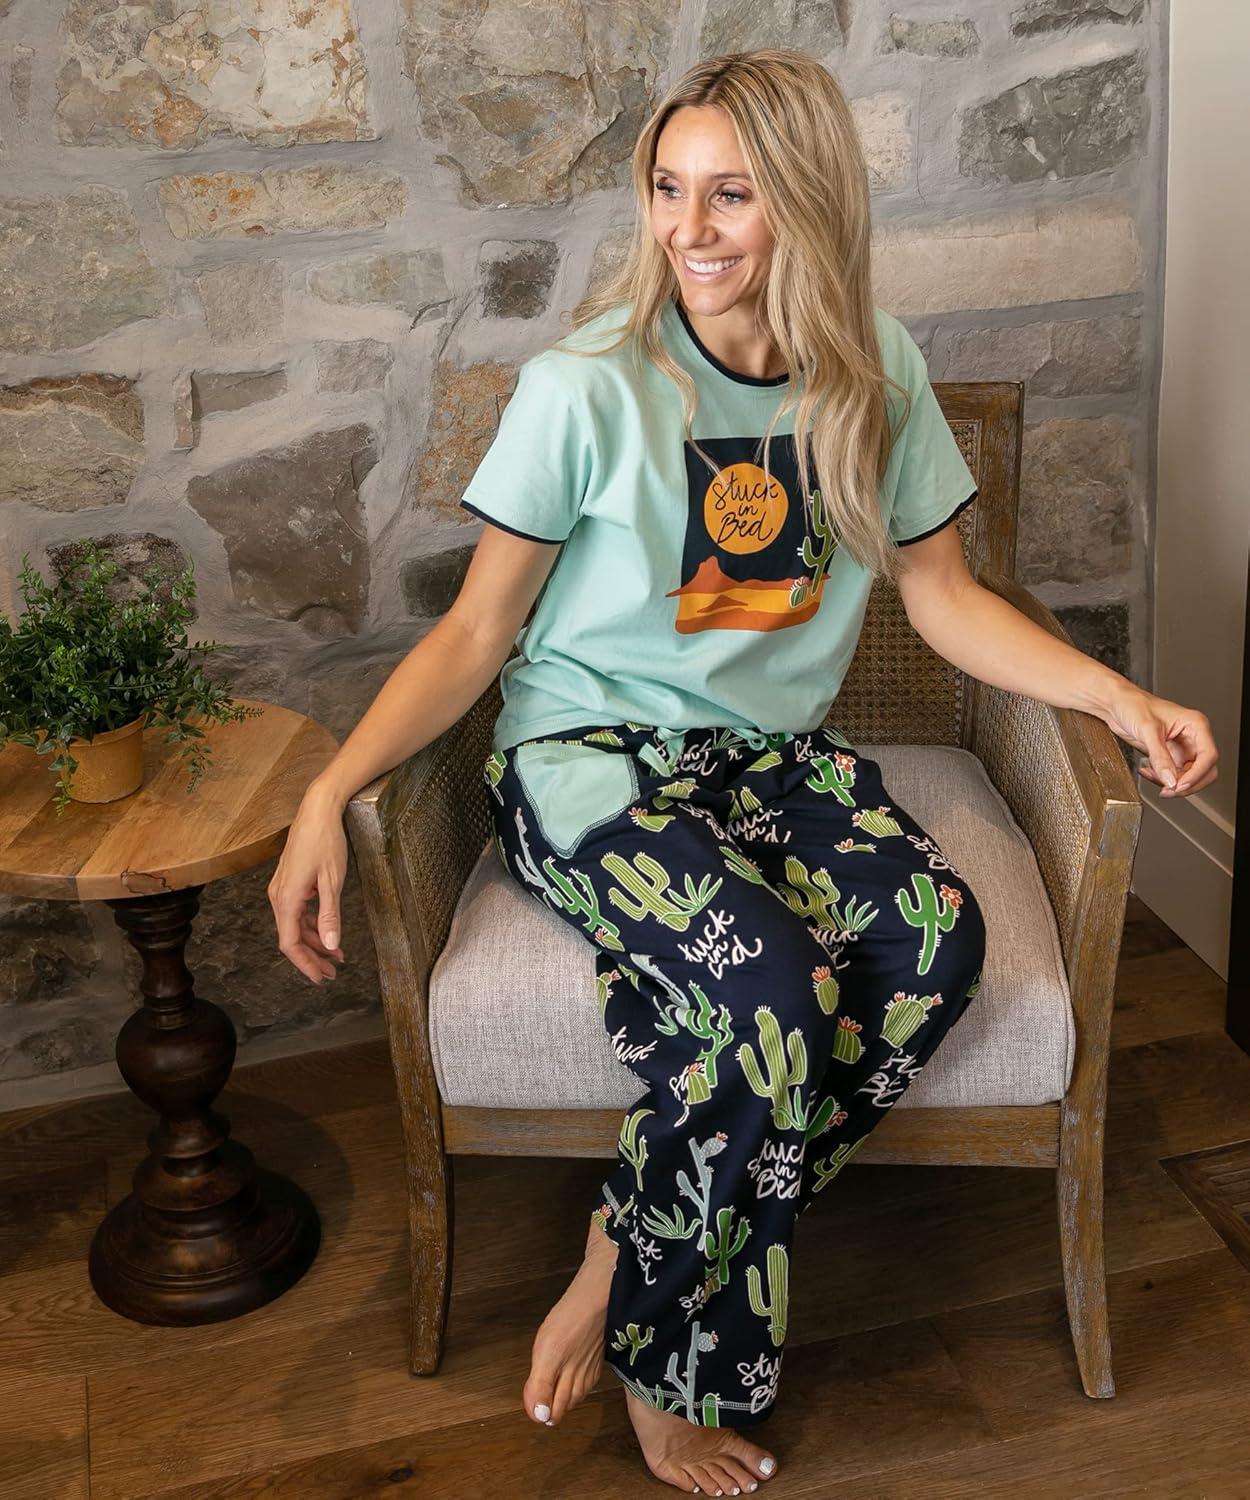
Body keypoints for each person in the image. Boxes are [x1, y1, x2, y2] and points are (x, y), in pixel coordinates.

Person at [269, 48, 1218, 1497]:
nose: (689, 229)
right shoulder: (583, 388)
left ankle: (628, 1240)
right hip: (587, 762)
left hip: (768, 759)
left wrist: (1119, 695)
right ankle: (672, 1364)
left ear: (808, 204)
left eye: (732, 194)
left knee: (932, 945)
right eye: (668, 189)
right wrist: (324, 796)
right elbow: (473, 634)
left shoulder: (873, 371)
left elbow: (944, 597)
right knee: (767, 992)